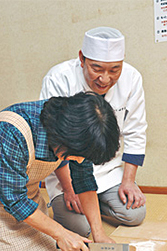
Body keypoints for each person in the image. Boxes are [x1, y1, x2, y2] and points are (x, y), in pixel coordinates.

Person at [0, 92, 120, 251]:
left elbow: (84, 182)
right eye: (79, 156)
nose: (81, 161)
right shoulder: (11, 132)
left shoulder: (81, 133)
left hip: (25, 198)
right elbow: (14, 201)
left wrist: (99, 233)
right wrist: (62, 234)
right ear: (64, 138)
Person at [40, 27, 147, 237]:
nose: (105, 79)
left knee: (135, 215)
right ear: (82, 58)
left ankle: (95, 201)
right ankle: (87, 204)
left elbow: (137, 130)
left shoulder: (132, 78)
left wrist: (128, 181)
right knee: (81, 229)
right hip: (69, 169)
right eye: (96, 69)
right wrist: (70, 189)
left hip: (108, 169)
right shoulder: (59, 78)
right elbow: (54, 141)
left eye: (114, 70)